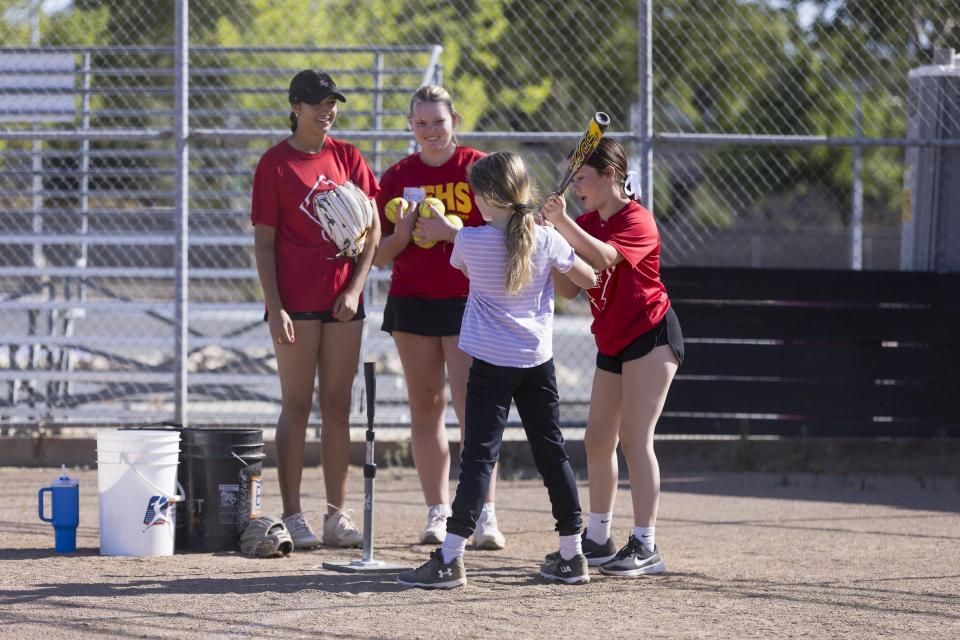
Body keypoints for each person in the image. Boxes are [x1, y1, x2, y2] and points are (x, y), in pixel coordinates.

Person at [398, 151, 598, 589]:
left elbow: (471, 262)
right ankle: (572, 553)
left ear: (488, 198)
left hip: (490, 364)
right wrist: (554, 238)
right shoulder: (545, 239)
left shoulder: (469, 241)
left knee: (478, 459)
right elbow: (589, 278)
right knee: (552, 454)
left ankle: (450, 559)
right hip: (536, 363)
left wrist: (541, 239)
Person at [541, 138, 684, 576]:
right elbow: (570, 288)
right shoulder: (582, 222)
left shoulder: (636, 219)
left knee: (635, 438)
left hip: (651, 335)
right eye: (574, 178)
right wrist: (548, 244)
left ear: (610, 176)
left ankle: (646, 543)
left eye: (582, 177)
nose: (577, 186)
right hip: (612, 340)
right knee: (597, 440)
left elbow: (604, 258)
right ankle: (599, 537)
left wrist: (563, 224)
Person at [251, 69, 381, 550]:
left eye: (332, 103)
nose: (327, 111)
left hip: (343, 303)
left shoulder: (347, 155)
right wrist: (275, 305)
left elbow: (373, 231)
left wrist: (355, 289)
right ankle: (291, 514)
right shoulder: (275, 164)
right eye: (317, 103)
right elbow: (264, 244)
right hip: (295, 304)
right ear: (295, 108)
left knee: (337, 407)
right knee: (297, 404)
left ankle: (336, 515)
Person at [373, 85, 504, 549]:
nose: (429, 130)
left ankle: (484, 513)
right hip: (412, 301)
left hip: (470, 300)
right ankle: (438, 511)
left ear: (455, 120)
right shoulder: (396, 176)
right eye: (421, 122)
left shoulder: (480, 168)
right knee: (425, 407)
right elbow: (379, 255)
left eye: (438, 121)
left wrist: (451, 233)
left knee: (475, 410)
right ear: (410, 125)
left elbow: (506, 236)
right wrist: (405, 231)